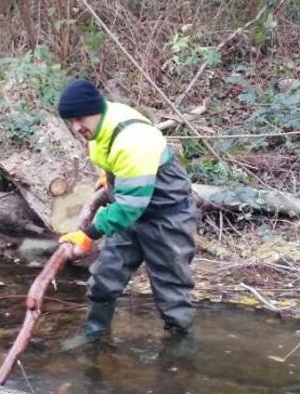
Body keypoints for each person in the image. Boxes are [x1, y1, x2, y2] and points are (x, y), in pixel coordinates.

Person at [56, 79, 197, 350]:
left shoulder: (133, 140)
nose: (76, 127)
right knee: (104, 277)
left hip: (167, 216)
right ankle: (93, 334)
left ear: (95, 109)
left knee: (171, 291)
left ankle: (180, 352)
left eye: (79, 119)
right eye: (71, 121)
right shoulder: (100, 127)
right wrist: (107, 179)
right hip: (132, 212)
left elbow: (129, 206)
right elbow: (112, 164)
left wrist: (88, 234)